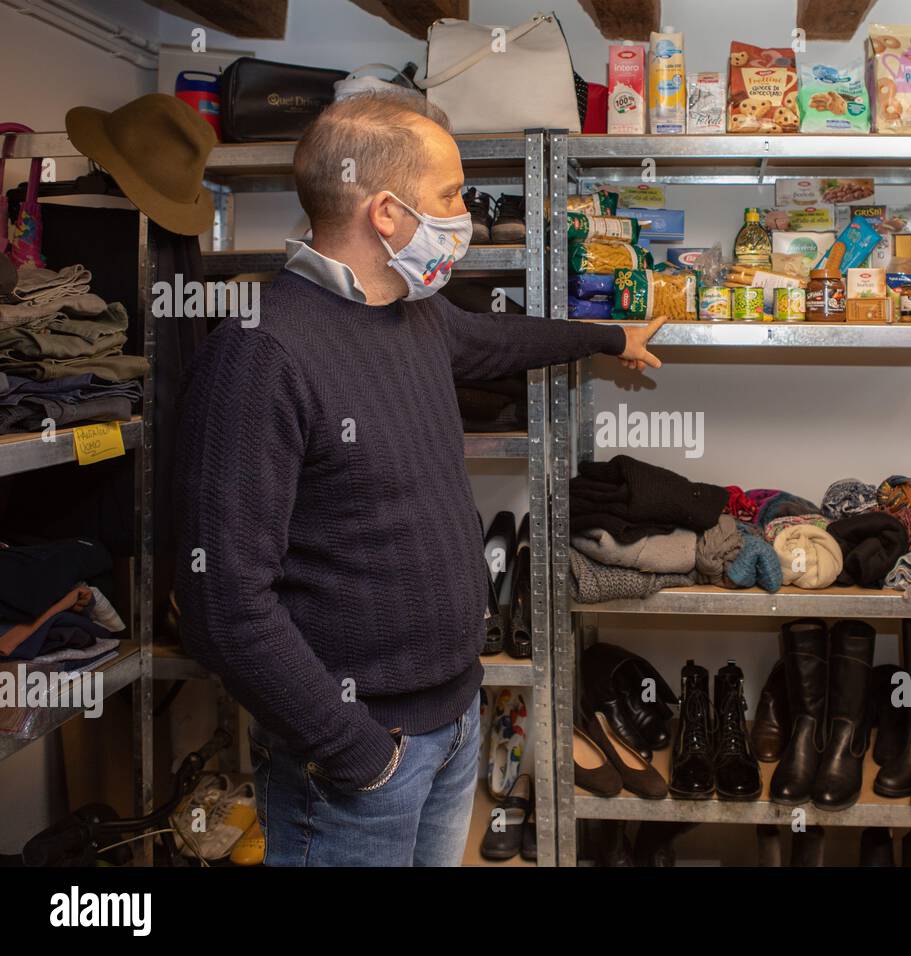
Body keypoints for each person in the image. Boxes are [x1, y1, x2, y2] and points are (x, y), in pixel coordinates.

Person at [174, 91, 665, 866]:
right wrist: (357, 754)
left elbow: (495, 340)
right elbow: (222, 604)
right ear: (387, 214)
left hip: (453, 720)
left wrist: (609, 335)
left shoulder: (415, 313)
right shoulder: (261, 355)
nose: (464, 212)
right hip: (359, 757)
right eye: (451, 195)